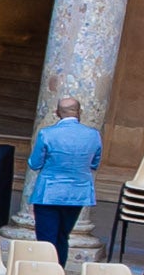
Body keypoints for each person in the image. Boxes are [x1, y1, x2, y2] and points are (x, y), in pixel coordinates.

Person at [28, 98, 105, 260]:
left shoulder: (47, 134)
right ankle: (58, 272)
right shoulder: (93, 135)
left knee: (46, 239)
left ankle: (44, 273)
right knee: (63, 236)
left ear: (57, 113)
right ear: (79, 112)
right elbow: (95, 163)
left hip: (49, 193)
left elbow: (34, 163)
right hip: (77, 193)